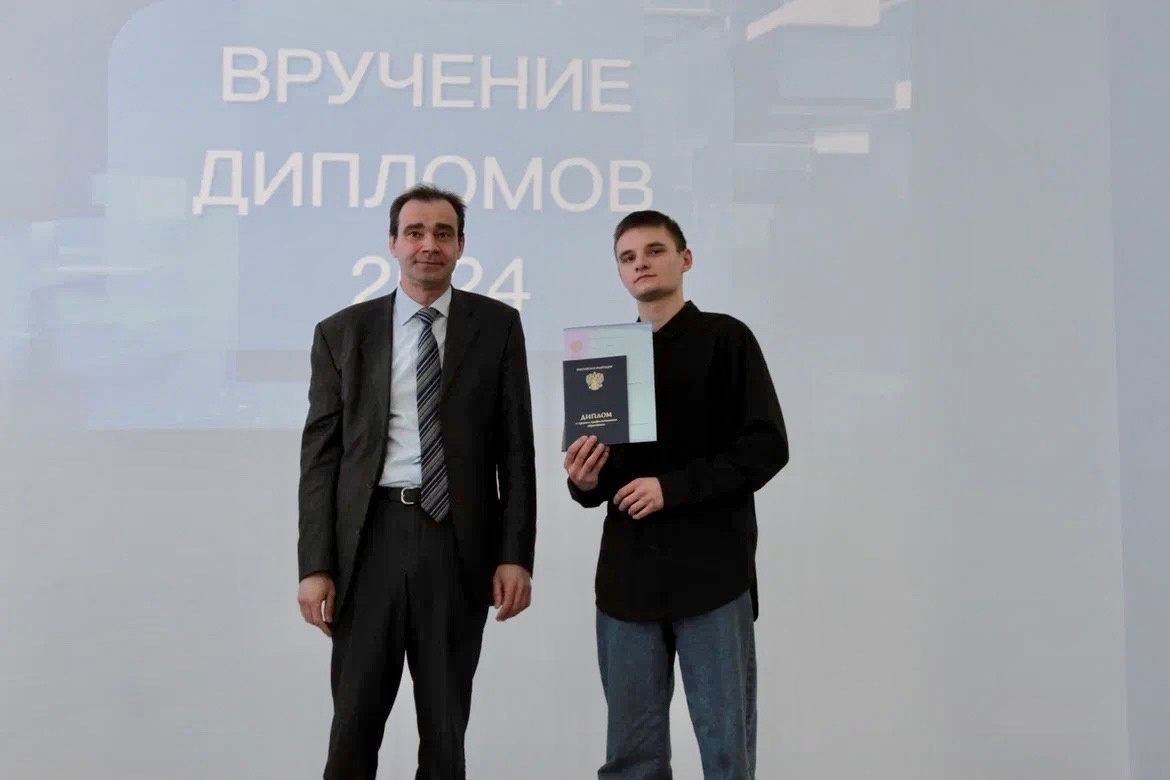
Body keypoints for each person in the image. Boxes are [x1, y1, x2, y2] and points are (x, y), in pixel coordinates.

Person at [296, 183, 538, 779]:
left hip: (456, 544)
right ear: (393, 244)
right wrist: (315, 565)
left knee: (445, 730)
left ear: (460, 246)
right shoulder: (341, 333)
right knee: (353, 727)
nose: (429, 244)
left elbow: (516, 450)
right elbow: (320, 460)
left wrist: (515, 555)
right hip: (367, 544)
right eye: (415, 232)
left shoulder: (498, 326)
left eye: (443, 234)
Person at [563, 209, 789, 779]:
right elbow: (599, 480)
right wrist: (583, 481)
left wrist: (673, 489)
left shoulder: (727, 339)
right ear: (620, 273)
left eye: (654, 250)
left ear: (685, 259)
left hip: (712, 575)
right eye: (628, 257)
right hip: (627, 581)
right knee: (631, 759)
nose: (641, 263)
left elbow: (766, 446)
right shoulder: (603, 357)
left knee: (725, 751)